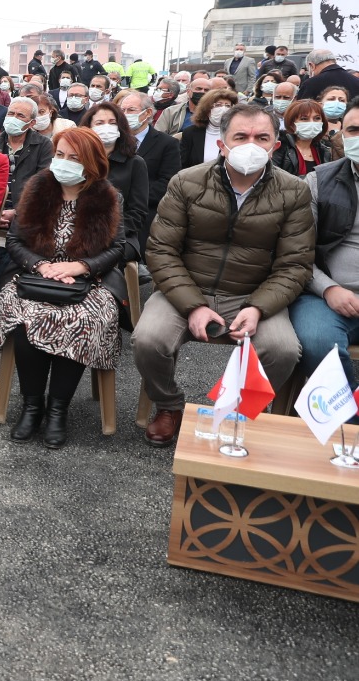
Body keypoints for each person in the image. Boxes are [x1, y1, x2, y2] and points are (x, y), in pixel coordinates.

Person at [137, 103, 314, 445]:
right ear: (222, 144)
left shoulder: (293, 190)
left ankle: (235, 414)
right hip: (187, 288)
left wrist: (258, 307)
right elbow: (161, 250)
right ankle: (169, 404)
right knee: (148, 339)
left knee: (282, 349)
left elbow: (295, 263)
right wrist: (193, 306)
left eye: (262, 138)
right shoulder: (187, 182)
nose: (251, 145)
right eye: (241, 136)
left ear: (276, 145)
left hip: (252, 294)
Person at [0, 127, 127, 447]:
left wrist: (81, 266)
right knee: (26, 316)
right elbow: (14, 241)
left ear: (92, 163)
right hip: (33, 275)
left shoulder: (108, 196)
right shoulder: (38, 187)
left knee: (82, 319)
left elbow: (117, 247)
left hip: (87, 281)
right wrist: (41, 266)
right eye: (60, 155)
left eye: (74, 158)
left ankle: (57, 410)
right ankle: (32, 405)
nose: (64, 162)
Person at [291, 101, 359, 389]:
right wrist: (329, 289)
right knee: (317, 341)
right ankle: (347, 413)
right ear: (341, 134)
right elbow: (297, 251)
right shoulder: (318, 180)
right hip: (325, 295)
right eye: (354, 130)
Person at [84, 103, 150, 260]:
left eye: (112, 123)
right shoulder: (78, 160)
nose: (106, 127)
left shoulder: (135, 163)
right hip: (79, 230)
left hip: (120, 236)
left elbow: (137, 213)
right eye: (99, 123)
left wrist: (105, 233)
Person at [117, 90, 179, 218]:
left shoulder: (167, 143)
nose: (125, 115)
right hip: (114, 208)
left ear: (148, 113)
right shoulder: (115, 140)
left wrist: (135, 198)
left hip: (148, 210)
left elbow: (167, 181)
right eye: (122, 110)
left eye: (131, 110)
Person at [0, 96, 52, 227]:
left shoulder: (43, 145)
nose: (13, 118)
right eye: (11, 113)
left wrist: (17, 212)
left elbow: (43, 186)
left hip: (27, 217)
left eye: (20, 116)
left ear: (32, 123)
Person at [179, 88, 236, 169]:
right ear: (207, 109)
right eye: (218, 105)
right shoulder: (190, 132)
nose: (223, 109)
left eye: (227, 106)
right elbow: (182, 163)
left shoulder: (237, 134)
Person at [278, 99, 330, 176]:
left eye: (317, 118)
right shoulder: (280, 147)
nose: (312, 123)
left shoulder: (324, 150)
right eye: (304, 119)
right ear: (291, 124)